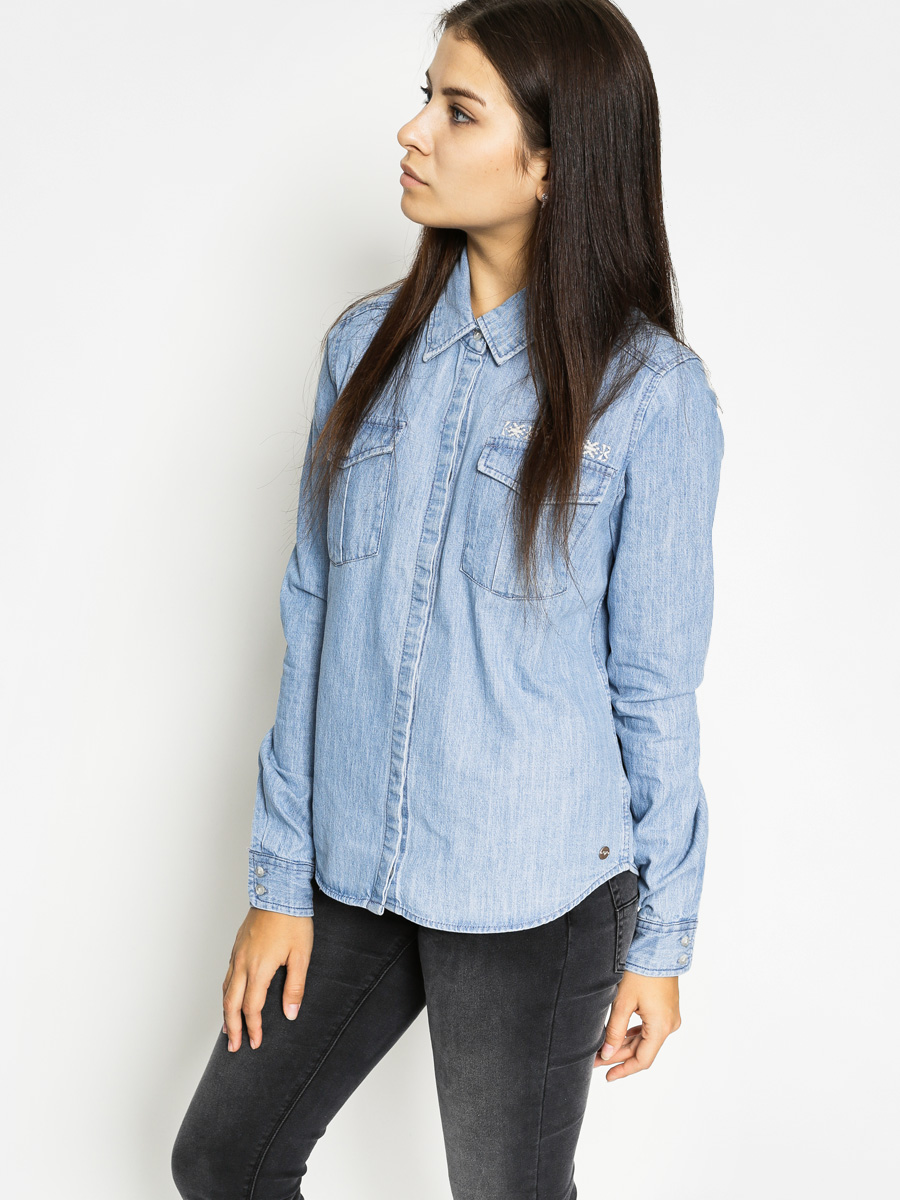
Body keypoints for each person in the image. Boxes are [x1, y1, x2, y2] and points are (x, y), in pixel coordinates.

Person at [171, 1, 725, 1196]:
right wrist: (278, 883)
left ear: (553, 164)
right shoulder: (361, 349)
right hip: (353, 867)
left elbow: (654, 688)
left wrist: (663, 940)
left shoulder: (650, 397)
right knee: (224, 1159)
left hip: (535, 889)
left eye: (458, 110)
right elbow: (311, 619)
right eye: (425, 95)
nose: (413, 131)